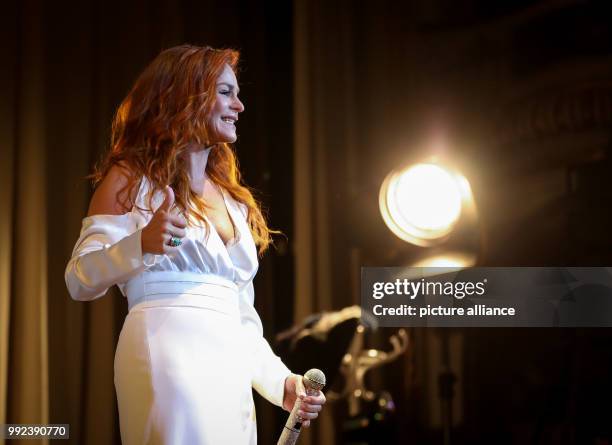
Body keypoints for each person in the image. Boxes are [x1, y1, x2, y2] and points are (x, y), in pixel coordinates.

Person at [65, 44, 325, 444]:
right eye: (225, 92)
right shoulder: (130, 180)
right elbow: (79, 279)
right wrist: (140, 244)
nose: (239, 106)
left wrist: (280, 383)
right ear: (182, 97)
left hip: (230, 371)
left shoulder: (234, 201)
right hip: (167, 355)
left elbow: (241, 319)